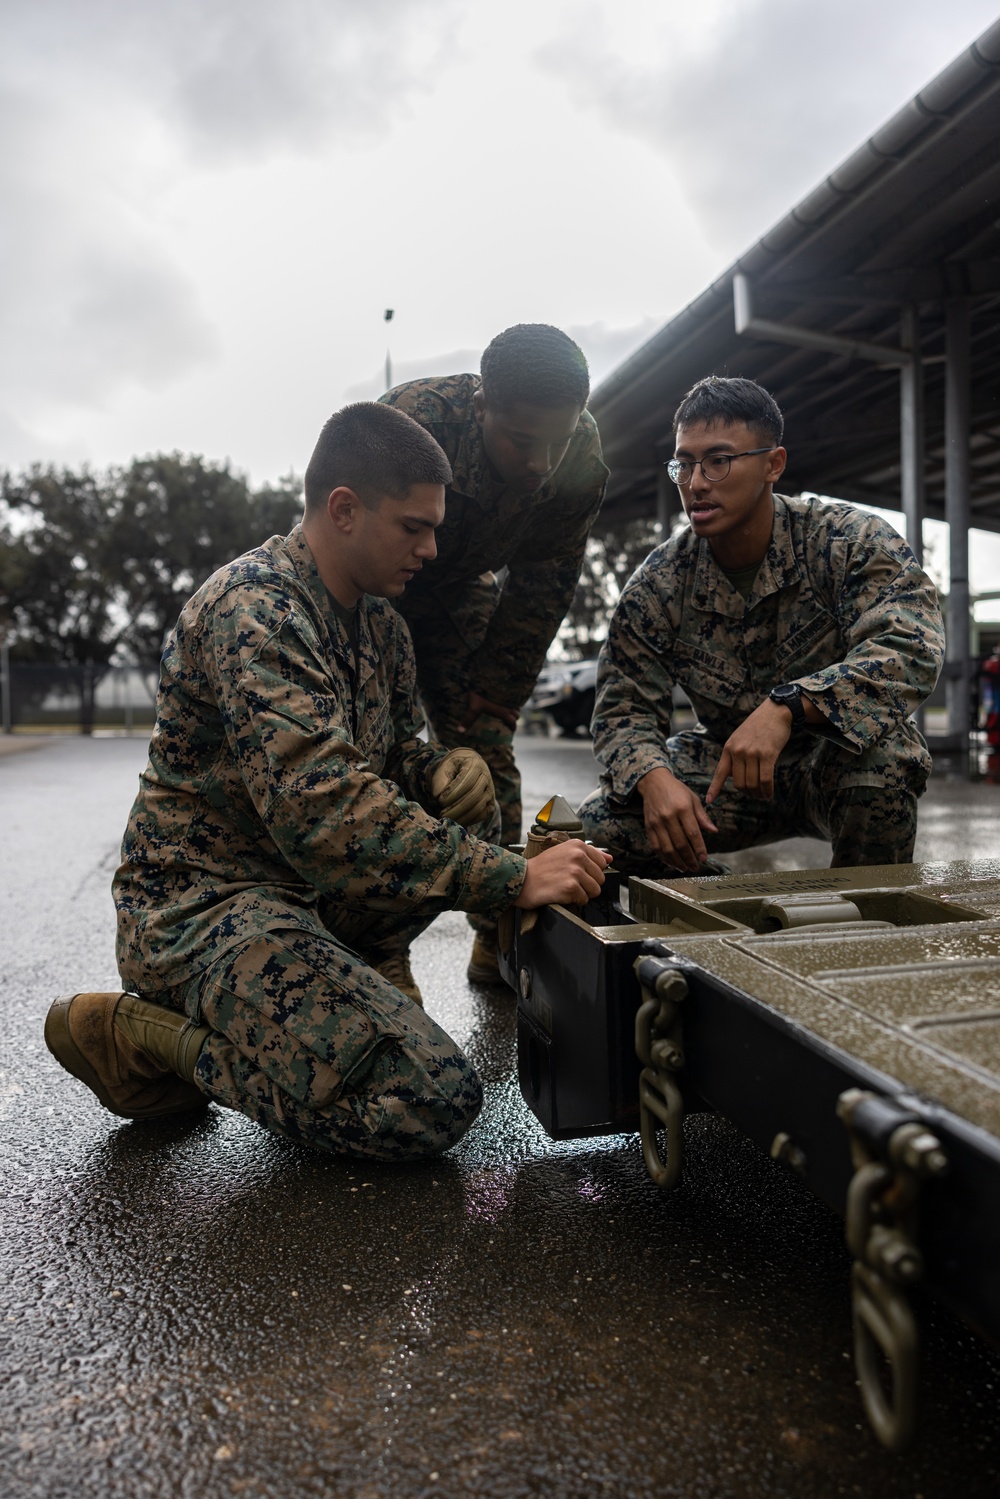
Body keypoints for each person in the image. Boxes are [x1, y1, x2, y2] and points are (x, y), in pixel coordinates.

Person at [44, 402, 610, 1160]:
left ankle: (353, 977)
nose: (434, 549)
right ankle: (149, 1036)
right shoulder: (257, 611)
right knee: (427, 1096)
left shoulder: (381, 626)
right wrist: (513, 878)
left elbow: (385, 759)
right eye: (414, 527)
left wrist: (439, 768)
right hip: (202, 909)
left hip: (307, 897)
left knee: (458, 804)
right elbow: (326, 812)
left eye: (436, 527)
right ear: (344, 509)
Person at [578, 375, 945, 872]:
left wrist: (792, 705)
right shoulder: (660, 583)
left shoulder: (846, 541)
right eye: (683, 464)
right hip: (727, 776)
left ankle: (866, 921)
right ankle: (719, 909)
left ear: (773, 464)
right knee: (601, 824)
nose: (697, 483)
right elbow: (623, 710)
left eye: (719, 461)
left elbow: (908, 648)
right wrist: (653, 779)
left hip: (832, 760)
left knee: (888, 760)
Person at [380, 323, 609, 981]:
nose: (541, 463)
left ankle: (500, 932)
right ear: (482, 407)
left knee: (482, 750)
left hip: (458, 592)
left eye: (557, 441)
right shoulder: (412, 424)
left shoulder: (581, 454)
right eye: (521, 440)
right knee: (372, 754)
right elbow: (348, 545)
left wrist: (497, 695)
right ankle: (370, 947)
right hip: (373, 589)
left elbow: (547, 577)